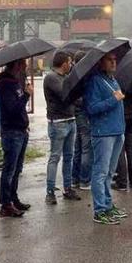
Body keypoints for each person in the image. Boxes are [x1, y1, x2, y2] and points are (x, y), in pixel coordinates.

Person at [85, 52, 128, 225]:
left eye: (114, 59)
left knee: (110, 172)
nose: (113, 62)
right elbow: (92, 108)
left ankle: (108, 205)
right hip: (103, 133)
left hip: (117, 131)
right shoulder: (95, 81)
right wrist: (113, 99)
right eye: (109, 60)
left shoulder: (112, 80)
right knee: (101, 172)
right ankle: (99, 210)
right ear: (100, 62)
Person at [43, 51, 82, 202]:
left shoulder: (65, 78)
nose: (71, 65)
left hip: (70, 120)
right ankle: (50, 191)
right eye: (70, 62)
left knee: (68, 157)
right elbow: (65, 94)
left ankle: (67, 188)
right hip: (58, 122)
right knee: (55, 157)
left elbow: (74, 97)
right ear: (64, 63)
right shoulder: (51, 78)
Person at [0, 59, 32, 217]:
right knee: (9, 169)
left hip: (21, 130)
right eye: (23, 63)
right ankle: (5, 204)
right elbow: (12, 109)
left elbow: (19, 108)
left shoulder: (15, 82)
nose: (26, 65)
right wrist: (26, 95)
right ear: (17, 65)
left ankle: (13, 197)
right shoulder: (5, 85)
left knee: (17, 168)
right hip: (12, 132)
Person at [71, 50, 93, 191]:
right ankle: (85, 180)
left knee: (78, 148)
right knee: (86, 148)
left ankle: (75, 179)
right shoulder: (83, 76)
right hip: (83, 113)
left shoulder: (72, 75)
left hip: (76, 113)